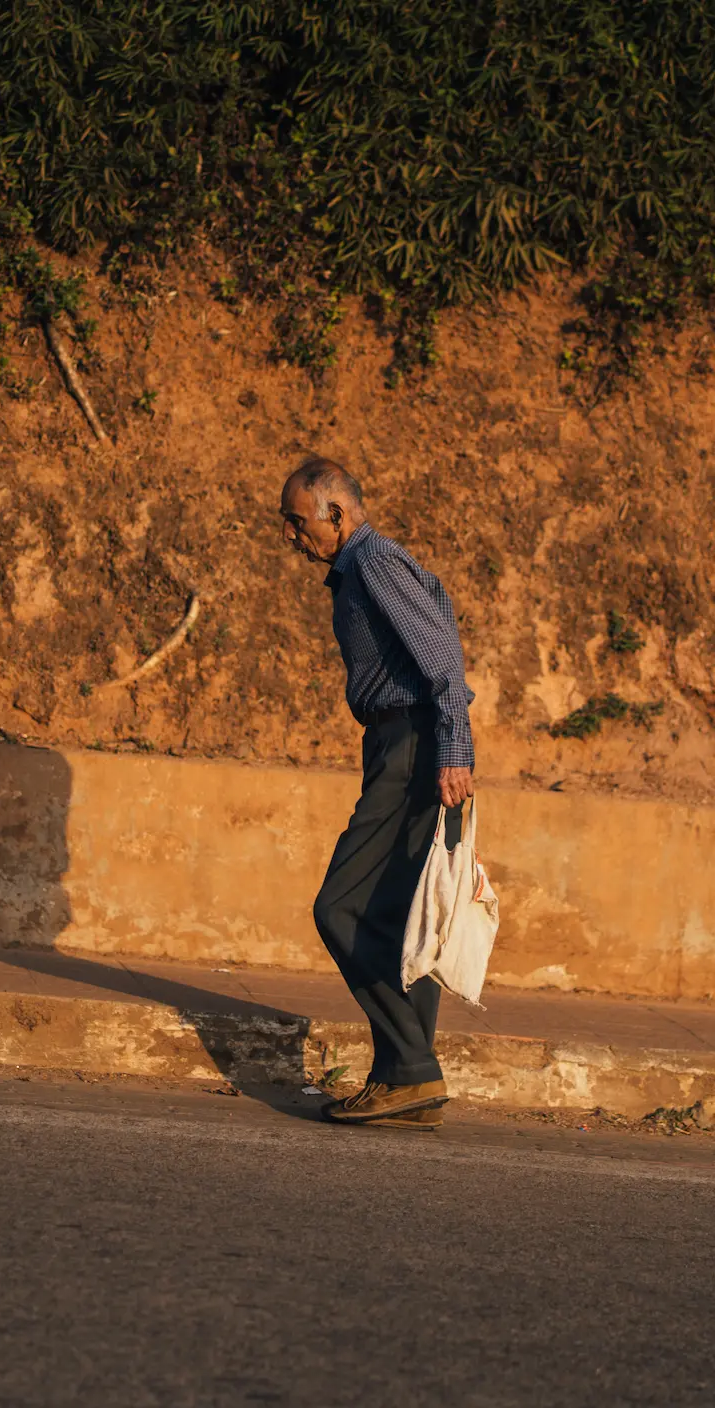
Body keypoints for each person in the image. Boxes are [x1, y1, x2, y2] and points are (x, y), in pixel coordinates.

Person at [278, 457, 474, 1130]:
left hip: (413, 747)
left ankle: (415, 1067)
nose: (292, 535)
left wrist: (453, 749)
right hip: (396, 746)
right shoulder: (365, 568)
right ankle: (399, 1080)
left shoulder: (374, 563)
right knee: (394, 916)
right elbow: (442, 609)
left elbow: (442, 655)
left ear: (340, 514)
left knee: (340, 907)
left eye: (299, 521)